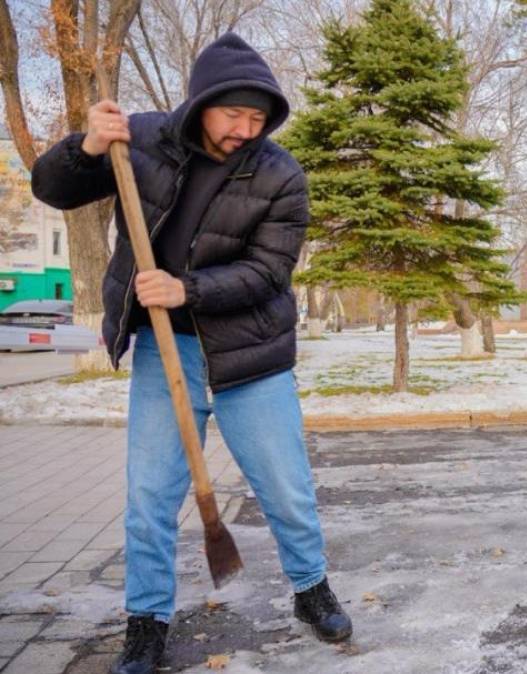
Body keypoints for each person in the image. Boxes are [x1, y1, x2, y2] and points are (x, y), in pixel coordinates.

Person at [31, 33, 351, 674]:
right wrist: (88, 146)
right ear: (202, 101)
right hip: (163, 351)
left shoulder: (281, 174)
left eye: (258, 119)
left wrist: (187, 287)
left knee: (286, 490)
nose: (245, 129)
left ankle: (311, 590)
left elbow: (269, 273)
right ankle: (146, 621)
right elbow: (53, 189)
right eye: (233, 113)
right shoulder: (139, 139)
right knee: (150, 497)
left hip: (250, 357)